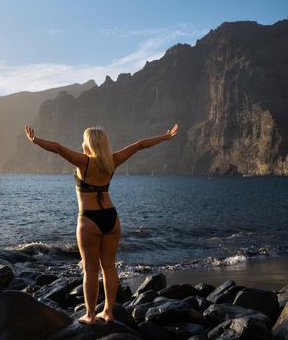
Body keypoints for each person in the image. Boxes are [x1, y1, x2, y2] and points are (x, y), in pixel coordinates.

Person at [24, 124, 178, 325]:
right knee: (109, 266)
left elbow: (59, 148)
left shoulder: (84, 162)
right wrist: (165, 137)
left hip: (89, 219)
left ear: (88, 143)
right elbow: (140, 145)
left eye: (83, 141)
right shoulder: (111, 161)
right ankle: (108, 312)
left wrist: (36, 141)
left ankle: (89, 315)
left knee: (90, 269)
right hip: (111, 217)